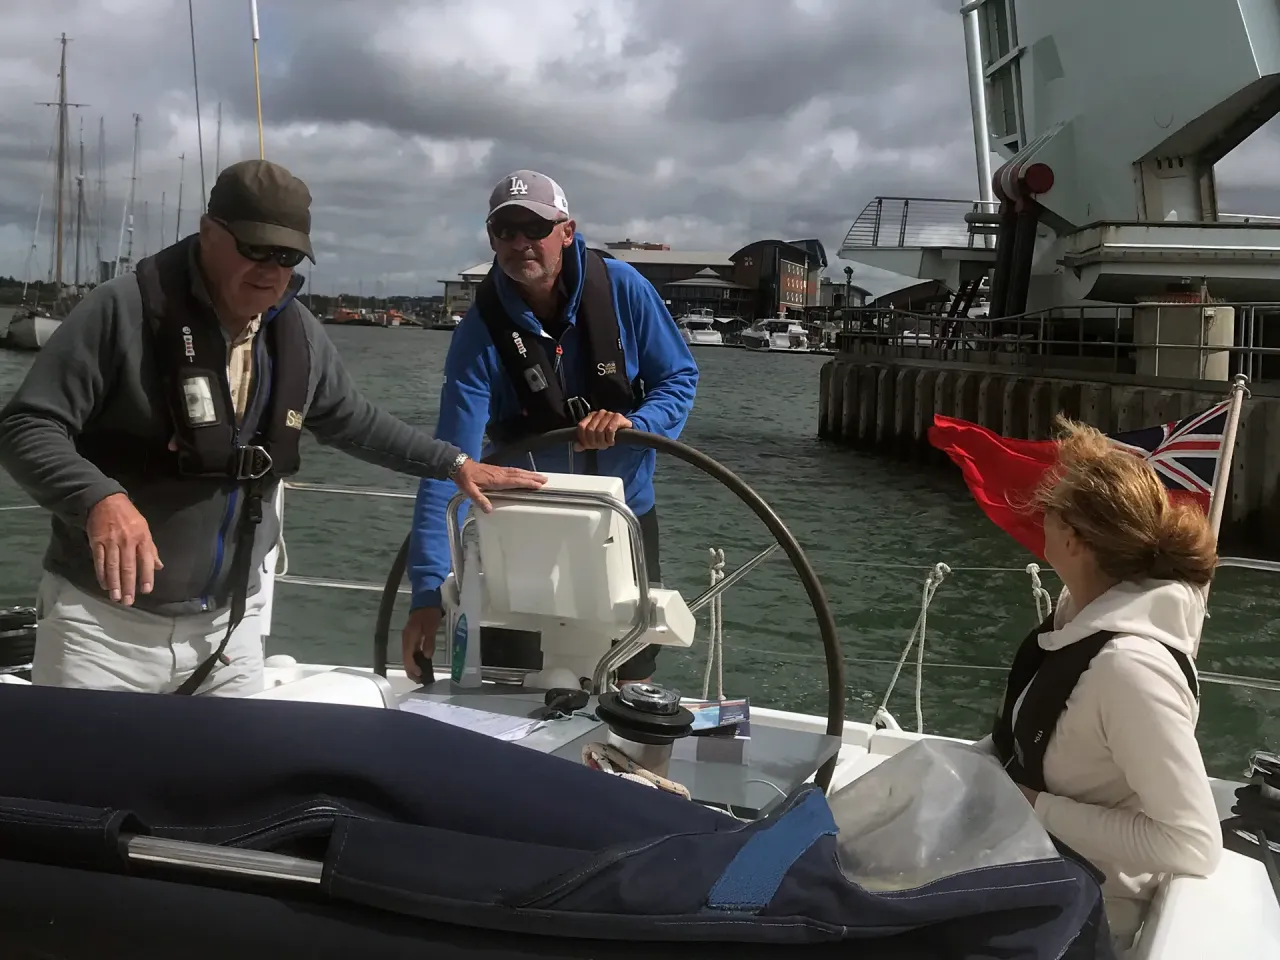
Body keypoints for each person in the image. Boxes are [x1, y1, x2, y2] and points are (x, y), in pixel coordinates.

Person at [0, 159, 545, 698]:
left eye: (286, 256)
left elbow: (353, 420)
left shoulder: (297, 335)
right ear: (209, 233)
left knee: (236, 762)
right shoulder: (122, 311)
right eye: (254, 249)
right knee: (89, 762)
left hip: (228, 635)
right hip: (102, 633)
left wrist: (454, 463)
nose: (269, 268)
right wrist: (97, 499)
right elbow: (27, 426)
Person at [401, 170, 698, 683]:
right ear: (492, 239)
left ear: (566, 231)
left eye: (535, 228)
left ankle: (627, 727)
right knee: (513, 681)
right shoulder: (479, 331)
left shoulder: (623, 289)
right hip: (522, 522)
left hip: (622, 516)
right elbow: (451, 461)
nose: (521, 242)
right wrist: (427, 593)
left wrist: (636, 422)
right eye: (506, 230)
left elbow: (679, 377)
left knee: (632, 674)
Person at [988, 416, 1223, 952]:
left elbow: (1192, 843)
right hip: (1024, 867)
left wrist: (1034, 807)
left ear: (1073, 539)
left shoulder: (1129, 669)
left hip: (1081, 915)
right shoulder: (1077, 617)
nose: (1040, 517)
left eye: (1049, 510)